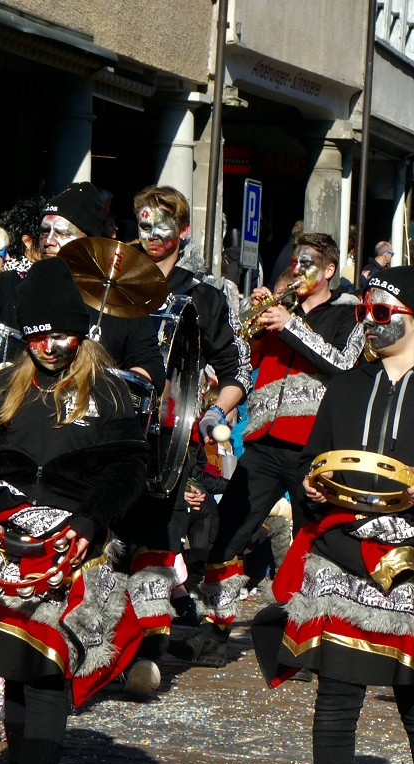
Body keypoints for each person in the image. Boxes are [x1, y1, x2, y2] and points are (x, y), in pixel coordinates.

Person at [252, 265, 414, 764]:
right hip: (344, 550)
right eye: (364, 310)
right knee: (336, 696)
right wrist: (312, 480)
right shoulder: (345, 385)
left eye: (381, 311)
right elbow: (315, 455)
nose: (368, 320)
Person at [0, 257, 147, 764]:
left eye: (60, 335)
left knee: (47, 670)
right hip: (4, 545)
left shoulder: (111, 393)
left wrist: (92, 521)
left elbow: (127, 470)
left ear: (82, 335)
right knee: (12, 662)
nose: (48, 347)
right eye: (37, 335)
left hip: (73, 548)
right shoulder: (5, 385)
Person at [176, 232, 365, 667]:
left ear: (330, 271)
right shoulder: (284, 309)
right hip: (262, 439)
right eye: (295, 263)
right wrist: (253, 318)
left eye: (308, 264)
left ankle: (306, 639)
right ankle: (214, 630)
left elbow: (343, 365)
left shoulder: (349, 313)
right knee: (229, 531)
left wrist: (291, 326)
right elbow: (246, 361)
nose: (298, 271)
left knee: (312, 540)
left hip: (314, 446)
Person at [116, 185, 252, 696]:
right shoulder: (114, 282)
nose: (150, 237)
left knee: (155, 538)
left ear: (184, 231)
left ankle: (147, 650)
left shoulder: (205, 295)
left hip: (169, 434)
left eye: (161, 227)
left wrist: (214, 410)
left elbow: (238, 366)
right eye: (143, 225)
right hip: (110, 427)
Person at [0, 183, 164, 391]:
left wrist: (108, 390)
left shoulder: (119, 301)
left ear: (89, 241)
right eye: (44, 232)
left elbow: (150, 367)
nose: (48, 241)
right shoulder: (9, 284)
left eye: (61, 232)